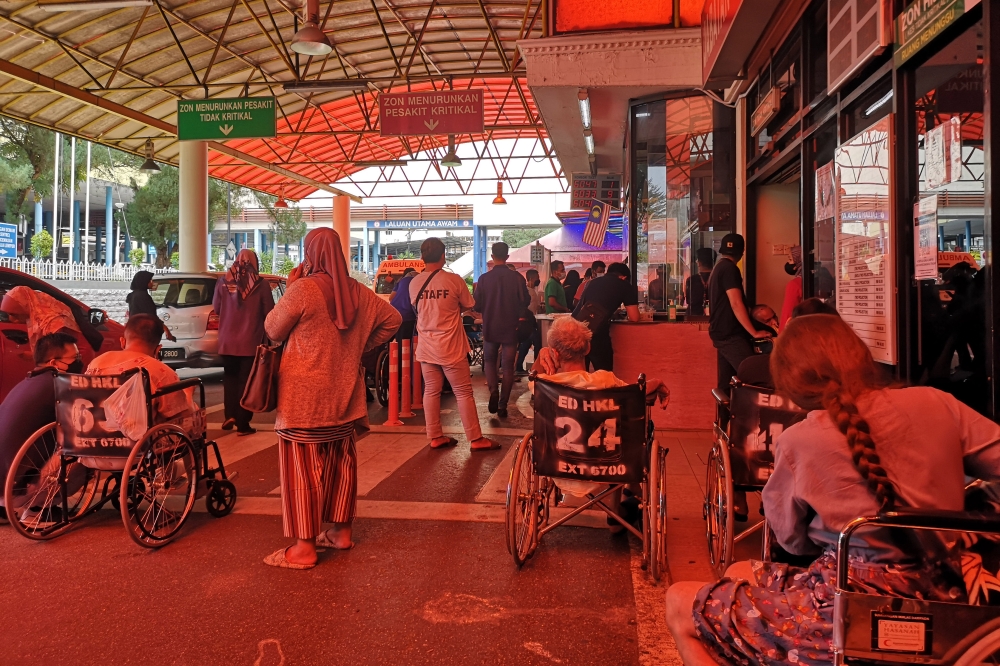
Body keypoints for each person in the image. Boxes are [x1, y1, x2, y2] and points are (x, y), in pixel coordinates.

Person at [666, 314, 1000, 666]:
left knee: (679, 601)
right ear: (861, 357)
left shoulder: (799, 440)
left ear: (791, 379)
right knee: (739, 572)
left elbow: (791, 542)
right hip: (947, 592)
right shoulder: (937, 402)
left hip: (843, 609)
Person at [263, 228, 400, 570]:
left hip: (303, 400)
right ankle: (340, 533)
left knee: (302, 471)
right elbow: (393, 320)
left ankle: (304, 549)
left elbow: (273, 330)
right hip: (344, 397)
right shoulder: (360, 293)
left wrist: (292, 287)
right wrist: (359, 347)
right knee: (341, 465)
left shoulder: (303, 290)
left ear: (311, 254)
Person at [533, 317, 670, 530]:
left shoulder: (546, 386)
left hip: (557, 465)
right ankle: (620, 503)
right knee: (632, 430)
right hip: (609, 467)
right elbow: (636, 392)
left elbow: (533, 375)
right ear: (588, 348)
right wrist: (658, 382)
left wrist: (543, 353)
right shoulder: (605, 381)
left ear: (554, 353)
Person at [410, 237, 497, 452]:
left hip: (426, 345)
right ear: (443, 256)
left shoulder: (414, 283)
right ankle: (476, 439)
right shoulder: (454, 280)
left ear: (422, 257)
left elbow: (418, 309)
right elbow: (469, 304)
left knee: (431, 390)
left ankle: (435, 436)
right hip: (450, 346)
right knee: (463, 392)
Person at [0, 333, 82, 491]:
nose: (79, 361)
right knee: (86, 446)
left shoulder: (27, 383)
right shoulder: (59, 384)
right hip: (16, 481)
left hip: (5, 473)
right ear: (54, 363)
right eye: (75, 357)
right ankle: (36, 502)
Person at [213, 249, 275, 436]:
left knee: (230, 379)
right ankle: (243, 423)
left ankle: (230, 415)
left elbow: (217, 308)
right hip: (250, 342)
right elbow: (269, 312)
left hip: (226, 342)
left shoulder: (223, 282)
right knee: (246, 382)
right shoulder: (261, 284)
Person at [86, 314, 194, 418]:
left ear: (122, 342)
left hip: (92, 428)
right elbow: (182, 419)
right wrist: (188, 396)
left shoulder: (96, 363)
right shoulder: (162, 372)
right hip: (141, 431)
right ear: (158, 349)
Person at [708, 233, 771, 396]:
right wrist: (754, 332)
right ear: (742, 253)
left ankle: (726, 413)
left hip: (721, 333)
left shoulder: (718, 268)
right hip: (730, 335)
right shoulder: (730, 269)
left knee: (727, 385)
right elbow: (736, 303)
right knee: (755, 377)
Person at [473, 242, 530, 418]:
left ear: (492, 257)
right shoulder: (517, 278)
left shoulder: (484, 279)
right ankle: (503, 405)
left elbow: (477, 305)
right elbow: (525, 301)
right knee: (508, 366)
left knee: (490, 361)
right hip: (511, 327)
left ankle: (493, 391)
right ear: (507, 256)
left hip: (490, 326)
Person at [571, 262, 639, 371]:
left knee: (580, 374)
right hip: (597, 335)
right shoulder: (624, 285)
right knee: (604, 374)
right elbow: (634, 317)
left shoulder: (591, 282)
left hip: (575, 332)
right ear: (624, 277)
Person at [1, 285, 93, 352]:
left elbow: (56, 352)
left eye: (14, 314)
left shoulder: (54, 321)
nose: (12, 320)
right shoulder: (37, 317)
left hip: (73, 361)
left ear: (25, 307)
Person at [516, 268, 543, 374]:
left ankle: (520, 366)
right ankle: (536, 366)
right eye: (537, 278)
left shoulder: (533, 291)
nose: (538, 280)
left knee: (527, 343)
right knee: (536, 341)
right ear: (531, 279)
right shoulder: (527, 292)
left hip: (531, 321)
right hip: (526, 321)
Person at [389, 267, 418, 342]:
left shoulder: (401, 281)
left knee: (400, 342)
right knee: (407, 343)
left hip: (395, 314)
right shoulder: (417, 281)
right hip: (408, 316)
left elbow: (391, 298)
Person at [684, 248, 715, 316]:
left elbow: (688, 300)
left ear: (699, 263)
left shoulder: (691, 280)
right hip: (714, 315)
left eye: (697, 260)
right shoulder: (718, 279)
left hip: (694, 316)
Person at [780, 245, 804, 327]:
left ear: (798, 262)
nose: (788, 263)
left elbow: (788, 315)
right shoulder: (823, 277)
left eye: (790, 259)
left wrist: (783, 333)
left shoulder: (794, 285)